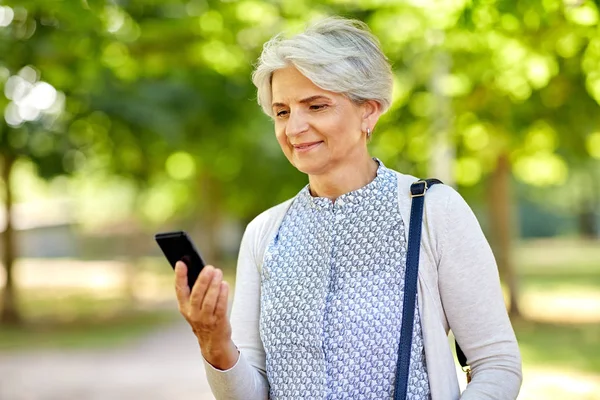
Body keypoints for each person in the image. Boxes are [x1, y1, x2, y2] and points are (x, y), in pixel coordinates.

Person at [173, 17, 522, 400]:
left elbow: (497, 365)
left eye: (316, 106)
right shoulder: (264, 232)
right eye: (282, 112)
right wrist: (215, 345)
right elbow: (248, 394)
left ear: (368, 112)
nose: (294, 128)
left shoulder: (433, 211)